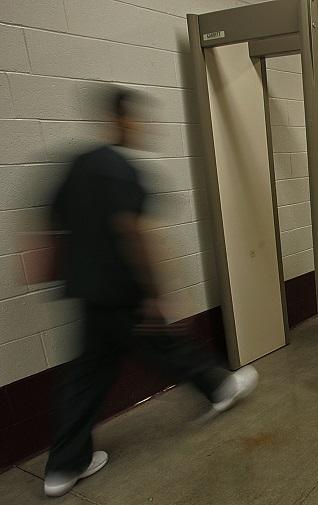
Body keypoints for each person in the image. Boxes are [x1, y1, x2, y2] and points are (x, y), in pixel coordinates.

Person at [44, 88, 258, 497]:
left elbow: (49, 230)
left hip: (89, 294)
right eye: (138, 119)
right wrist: (157, 290)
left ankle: (63, 468)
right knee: (164, 344)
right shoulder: (121, 170)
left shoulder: (75, 167)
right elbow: (135, 232)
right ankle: (219, 386)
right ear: (120, 119)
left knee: (87, 377)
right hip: (123, 290)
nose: (143, 127)